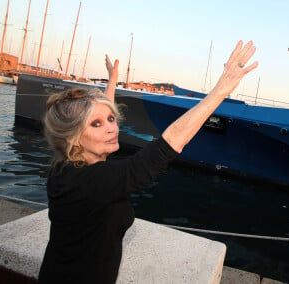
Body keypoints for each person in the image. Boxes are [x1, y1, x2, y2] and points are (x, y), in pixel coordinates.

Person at [38, 41, 258, 284]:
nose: (112, 128)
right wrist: (220, 91)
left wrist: (113, 81)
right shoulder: (90, 182)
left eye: (112, 119)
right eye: (97, 124)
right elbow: (162, 150)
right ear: (74, 138)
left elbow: (97, 122)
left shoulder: (68, 169)